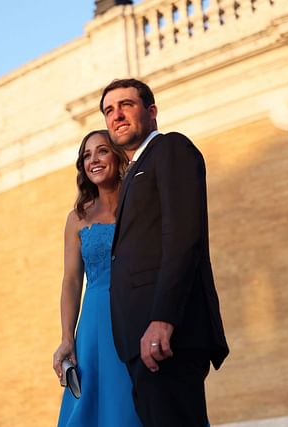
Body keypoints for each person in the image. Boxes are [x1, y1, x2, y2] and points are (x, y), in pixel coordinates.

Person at [99, 78, 230, 427]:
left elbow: (183, 236)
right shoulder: (135, 171)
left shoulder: (171, 149)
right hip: (140, 338)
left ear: (151, 111)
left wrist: (163, 319)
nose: (117, 116)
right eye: (109, 110)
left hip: (165, 332)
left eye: (126, 105)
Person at [53, 130, 142, 427]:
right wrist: (67, 337)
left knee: (133, 402)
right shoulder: (77, 217)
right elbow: (71, 281)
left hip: (136, 313)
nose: (94, 160)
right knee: (93, 408)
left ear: (117, 156)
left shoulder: (140, 204)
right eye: (87, 155)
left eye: (102, 151)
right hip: (94, 322)